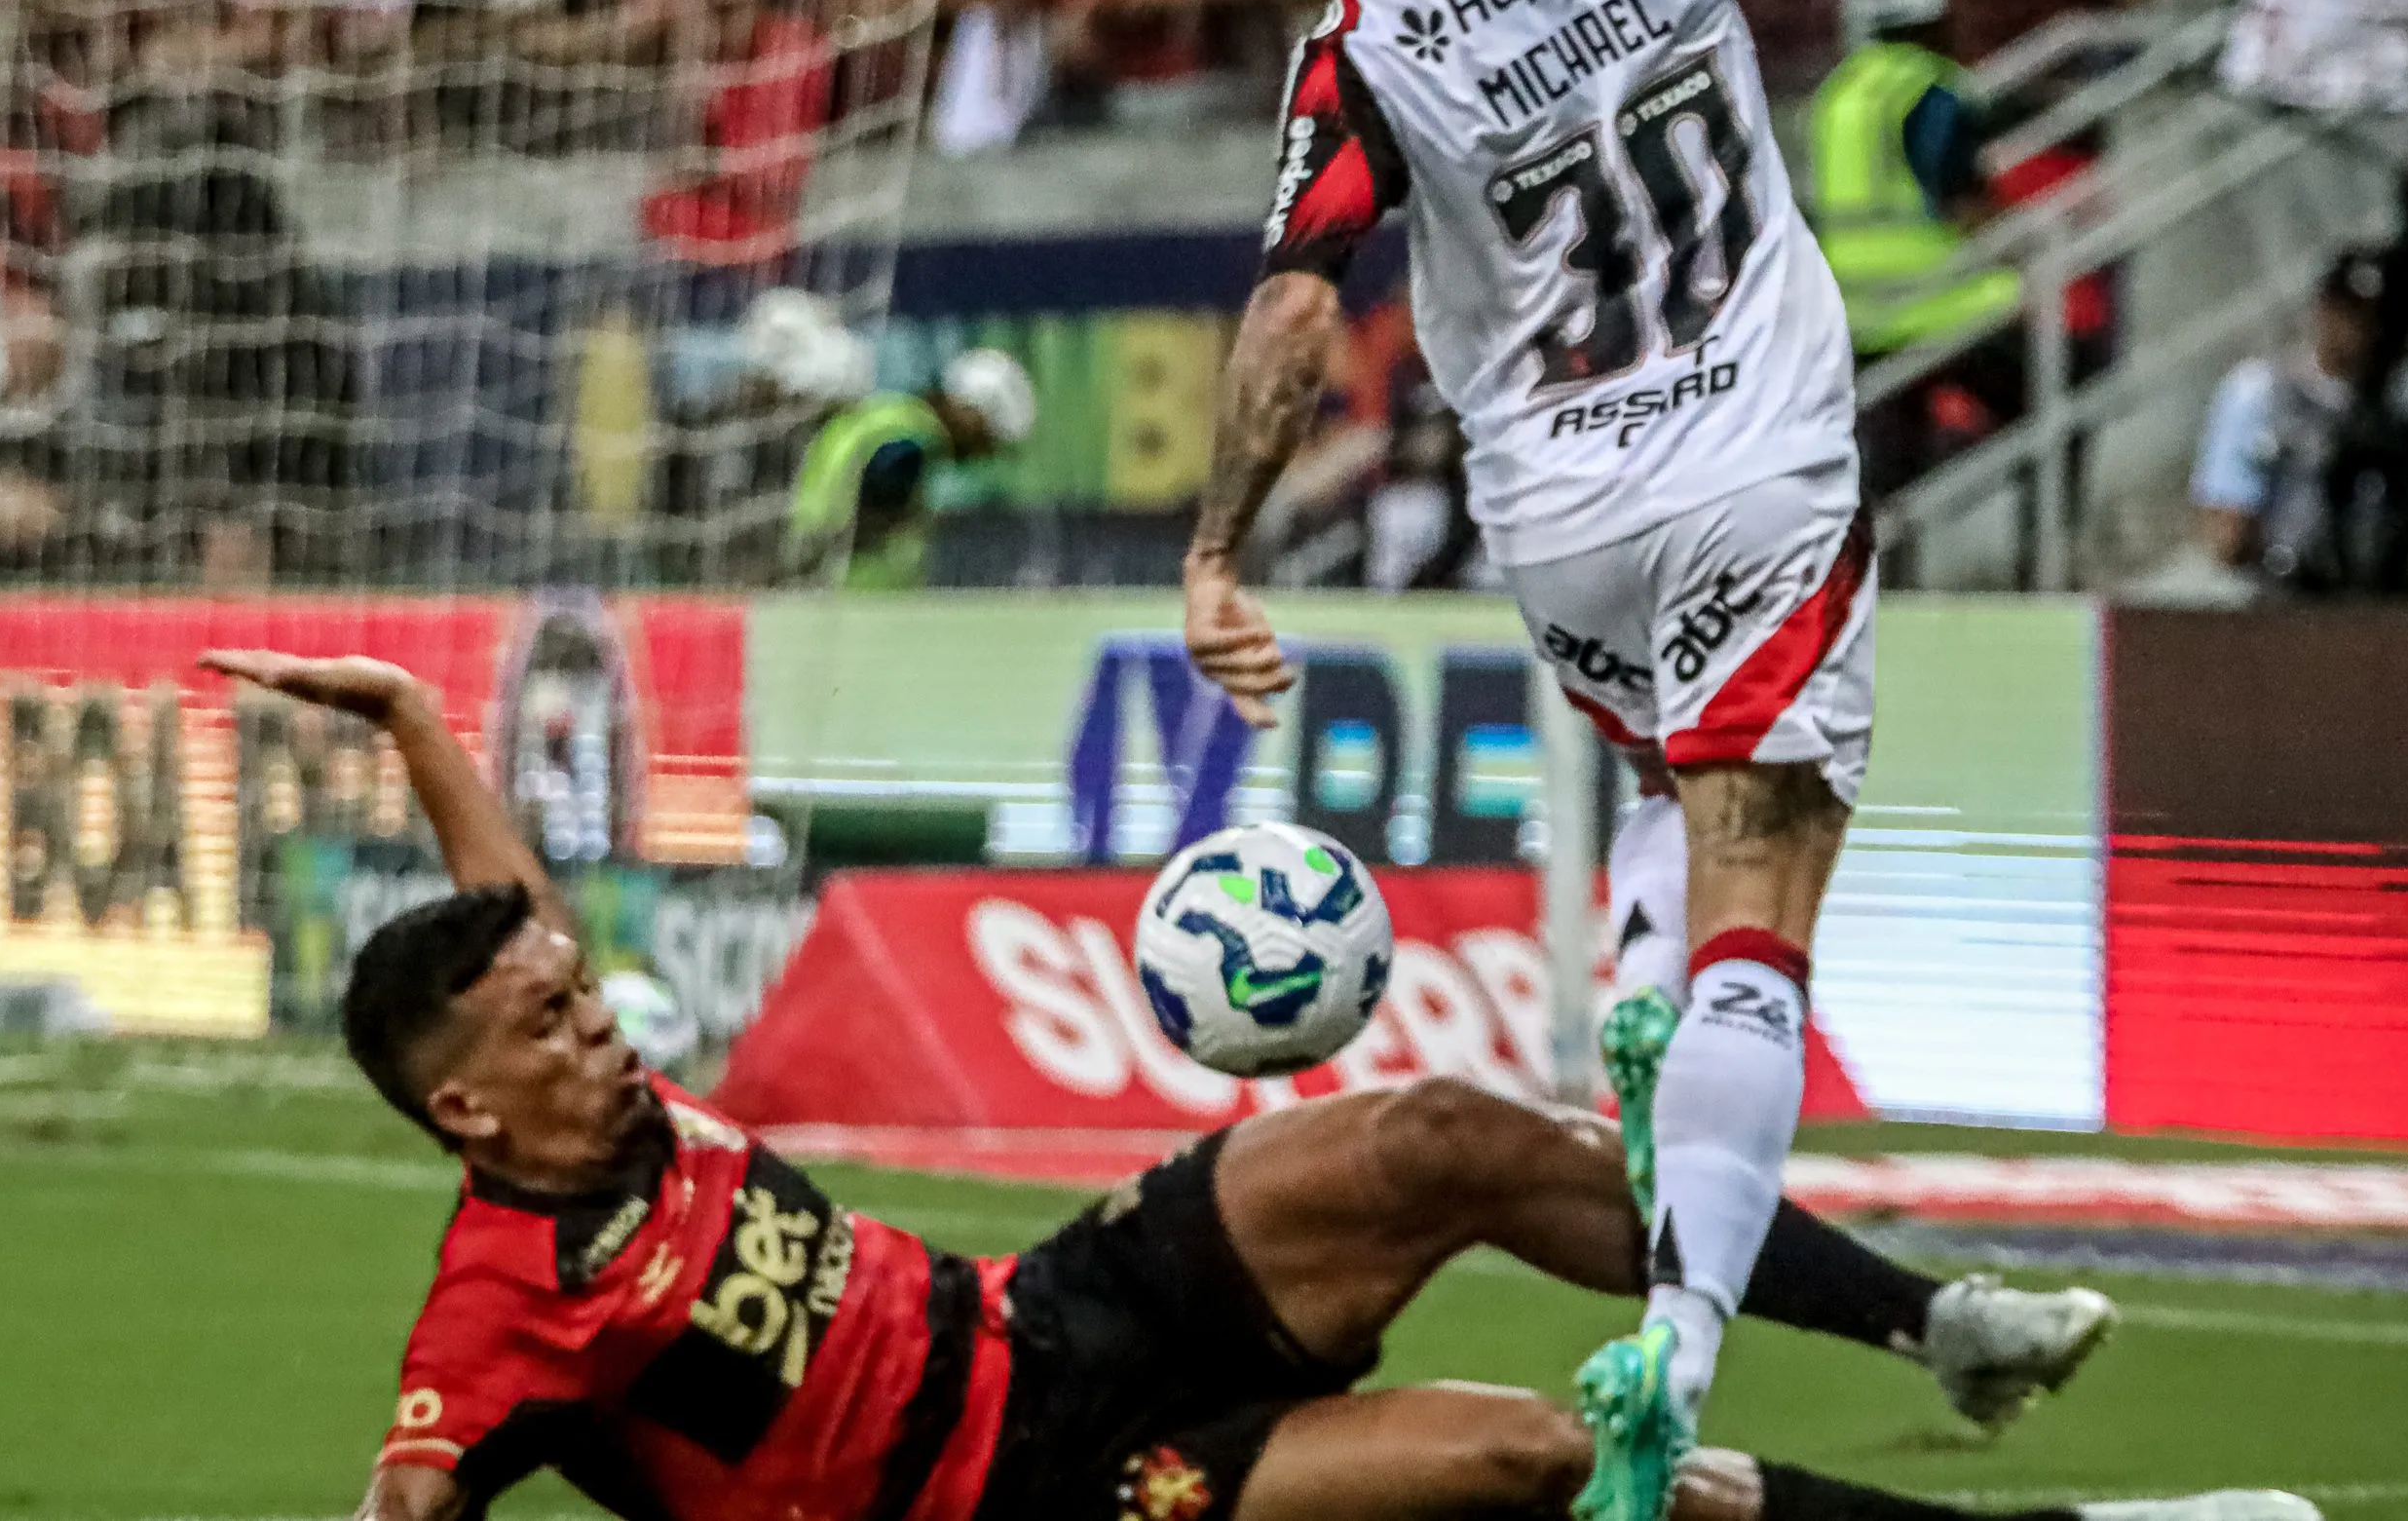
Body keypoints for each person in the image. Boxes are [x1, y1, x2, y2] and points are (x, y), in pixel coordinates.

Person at [201, 649, 2302, 1521]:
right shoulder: (497, 1314)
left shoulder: (580, 1087)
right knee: (1517, 1461)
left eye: (577, 996)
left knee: (1445, 1137)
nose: (599, 1021)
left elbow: (502, 917)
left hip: (1047, 1319)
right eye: (551, 1028)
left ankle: (1935, 1326)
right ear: (465, 1113)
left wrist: (404, 714)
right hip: (1028, 1507)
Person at [1180, 0, 1990, 1517]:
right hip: (1750, 462)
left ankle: (1640, 1027)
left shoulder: (1359, 41)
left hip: (1557, 526)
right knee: (1756, 896)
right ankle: (1678, 1359)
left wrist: (1218, 550)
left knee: (1663, 805)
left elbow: (1295, 318)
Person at [1802, 0, 2022, 496]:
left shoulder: (1840, 92)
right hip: (1944, 306)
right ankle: (2044, 536)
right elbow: (1960, 198)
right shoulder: (1928, 88)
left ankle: (1897, 564)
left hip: (1860, 312)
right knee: (2063, 374)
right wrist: (2021, 244)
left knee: (1886, 469)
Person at [2188, 251, 2377, 591]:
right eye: (2349, 313)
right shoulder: (2262, 392)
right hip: (2282, 585)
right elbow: (2227, 535)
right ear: (2324, 310)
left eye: (2373, 317)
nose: (2361, 330)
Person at [786, 349, 1036, 589]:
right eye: (986, 438)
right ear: (967, 412)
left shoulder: (885, 415)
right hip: (856, 599)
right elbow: (871, 515)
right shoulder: (912, 444)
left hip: (821, 586)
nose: (981, 454)